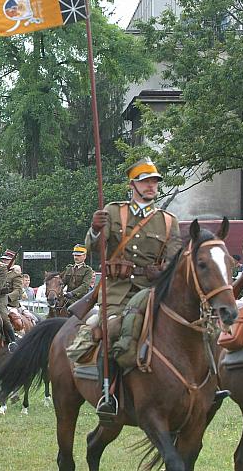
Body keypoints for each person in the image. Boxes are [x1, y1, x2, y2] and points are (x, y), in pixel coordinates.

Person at [67, 158, 181, 400]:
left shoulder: (169, 221)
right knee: (114, 329)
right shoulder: (114, 211)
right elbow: (96, 247)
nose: (151, 186)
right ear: (133, 185)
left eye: (154, 181)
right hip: (118, 291)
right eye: (145, 181)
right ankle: (109, 392)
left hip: (153, 292)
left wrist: (163, 272)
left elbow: (174, 259)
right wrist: (95, 230)